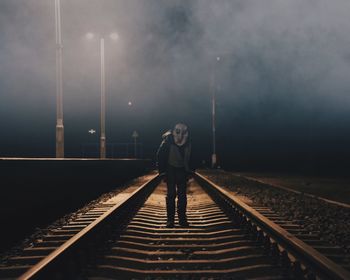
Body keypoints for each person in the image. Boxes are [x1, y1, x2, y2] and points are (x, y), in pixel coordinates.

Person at [157, 123, 193, 228]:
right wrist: (162, 172)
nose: (181, 135)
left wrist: (191, 170)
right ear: (173, 131)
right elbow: (160, 156)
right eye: (178, 131)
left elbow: (194, 156)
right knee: (171, 195)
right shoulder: (168, 141)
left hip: (183, 170)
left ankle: (182, 219)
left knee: (182, 196)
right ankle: (170, 220)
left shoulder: (189, 142)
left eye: (184, 132)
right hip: (170, 170)